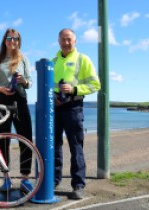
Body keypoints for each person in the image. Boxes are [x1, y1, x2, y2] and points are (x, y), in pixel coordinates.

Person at [53, 28, 101, 199]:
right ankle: (53, 180)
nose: (66, 43)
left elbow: (95, 84)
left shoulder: (83, 59)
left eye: (69, 39)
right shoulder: (53, 61)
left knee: (76, 147)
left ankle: (78, 185)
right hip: (55, 108)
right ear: (58, 41)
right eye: (63, 39)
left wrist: (73, 89)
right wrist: (53, 97)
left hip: (73, 108)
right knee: (55, 147)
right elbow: (49, 86)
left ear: (75, 41)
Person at [0, 28, 33, 192]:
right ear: (4, 40)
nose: (12, 41)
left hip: (19, 100)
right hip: (1, 101)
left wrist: (23, 81)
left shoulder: (23, 59)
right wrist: (1, 89)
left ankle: (25, 178)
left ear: (19, 41)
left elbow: (30, 82)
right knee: (2, 140)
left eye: (16, 38)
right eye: (9, 38)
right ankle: (6, 178)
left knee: (26, 138)